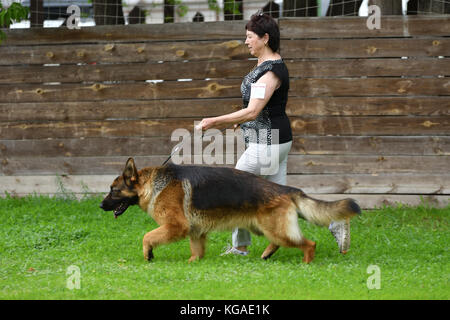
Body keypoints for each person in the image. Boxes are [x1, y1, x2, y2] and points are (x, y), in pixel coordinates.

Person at [197, 13, 350, 256]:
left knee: (237, 188)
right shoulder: (264, 65)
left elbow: (254, 110)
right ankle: (334, 218)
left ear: (265, 38)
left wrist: (216, 121)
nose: (246, 42)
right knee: (281, 200)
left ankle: (240, 246)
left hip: (268, 143)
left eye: (249, 37)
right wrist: (242, 123)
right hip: (271, 140)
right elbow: (257, 110)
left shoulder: (271, 71)